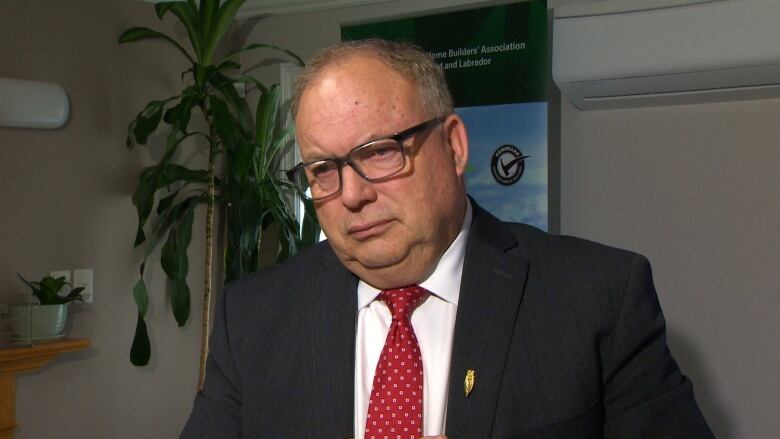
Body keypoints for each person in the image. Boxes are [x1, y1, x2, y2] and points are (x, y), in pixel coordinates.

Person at [181, 39, 714, 439]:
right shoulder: (252, 318)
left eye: (379, 152)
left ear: (454, 147)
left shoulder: (598, 296)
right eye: (324, 169)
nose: (351, 195)